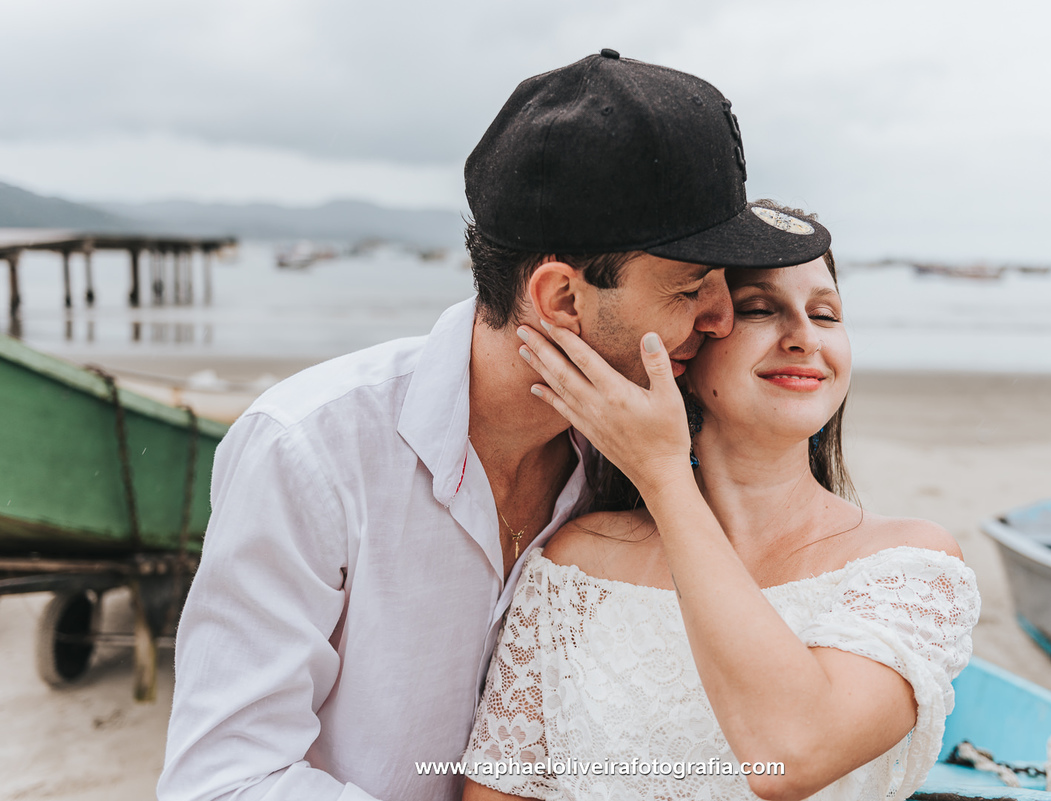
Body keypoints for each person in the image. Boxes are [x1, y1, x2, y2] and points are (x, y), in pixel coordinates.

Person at [158, 53, 834, 801]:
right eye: (689, 289)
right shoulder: (310, 450)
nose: (719, 318)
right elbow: (223, 782)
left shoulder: (644, 455)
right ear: (563, 300)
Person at [461, 205, 982, 801]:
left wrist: (664, 478)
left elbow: (791, 756)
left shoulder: (908, 564)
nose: (805, 337)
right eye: (760, 309)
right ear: (688, 342)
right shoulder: (576, 563)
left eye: (825, 313)